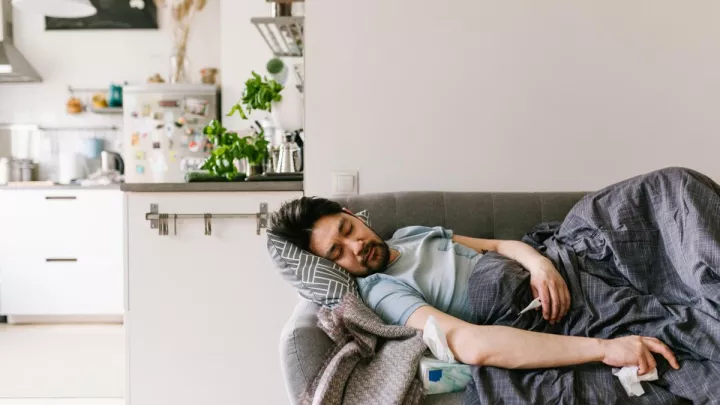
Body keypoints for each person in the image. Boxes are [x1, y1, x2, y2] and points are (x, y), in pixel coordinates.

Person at [269, 196, 680, 376]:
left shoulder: (411, 234)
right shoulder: (380, 291)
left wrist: (540, 264)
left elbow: (502, 245)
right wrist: (604, 348)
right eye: (337, 254)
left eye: (347, 230)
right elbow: (470, 343)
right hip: (527, 302)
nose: (355, 247)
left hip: (560, 263)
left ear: (351, 214)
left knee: (663, 192)